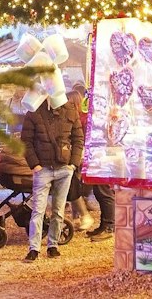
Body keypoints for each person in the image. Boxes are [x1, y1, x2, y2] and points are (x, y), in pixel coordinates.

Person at [20, 89, 81, 263]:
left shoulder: (70, 110)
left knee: (58, 210)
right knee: (38, 210)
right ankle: (34, 248)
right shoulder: (34, 111)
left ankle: (52, 245)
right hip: (44, 169)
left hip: (64, 168)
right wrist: (35, 165)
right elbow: (26, 141)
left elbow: (78, 138)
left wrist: (73, 163)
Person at [60, 87, 115, 239]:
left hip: (99, 158)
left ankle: (109, 227)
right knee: (99, 191)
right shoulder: (86, 117)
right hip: (95, 157)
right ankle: (104, 225)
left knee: (104, 192)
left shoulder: (87, 118)